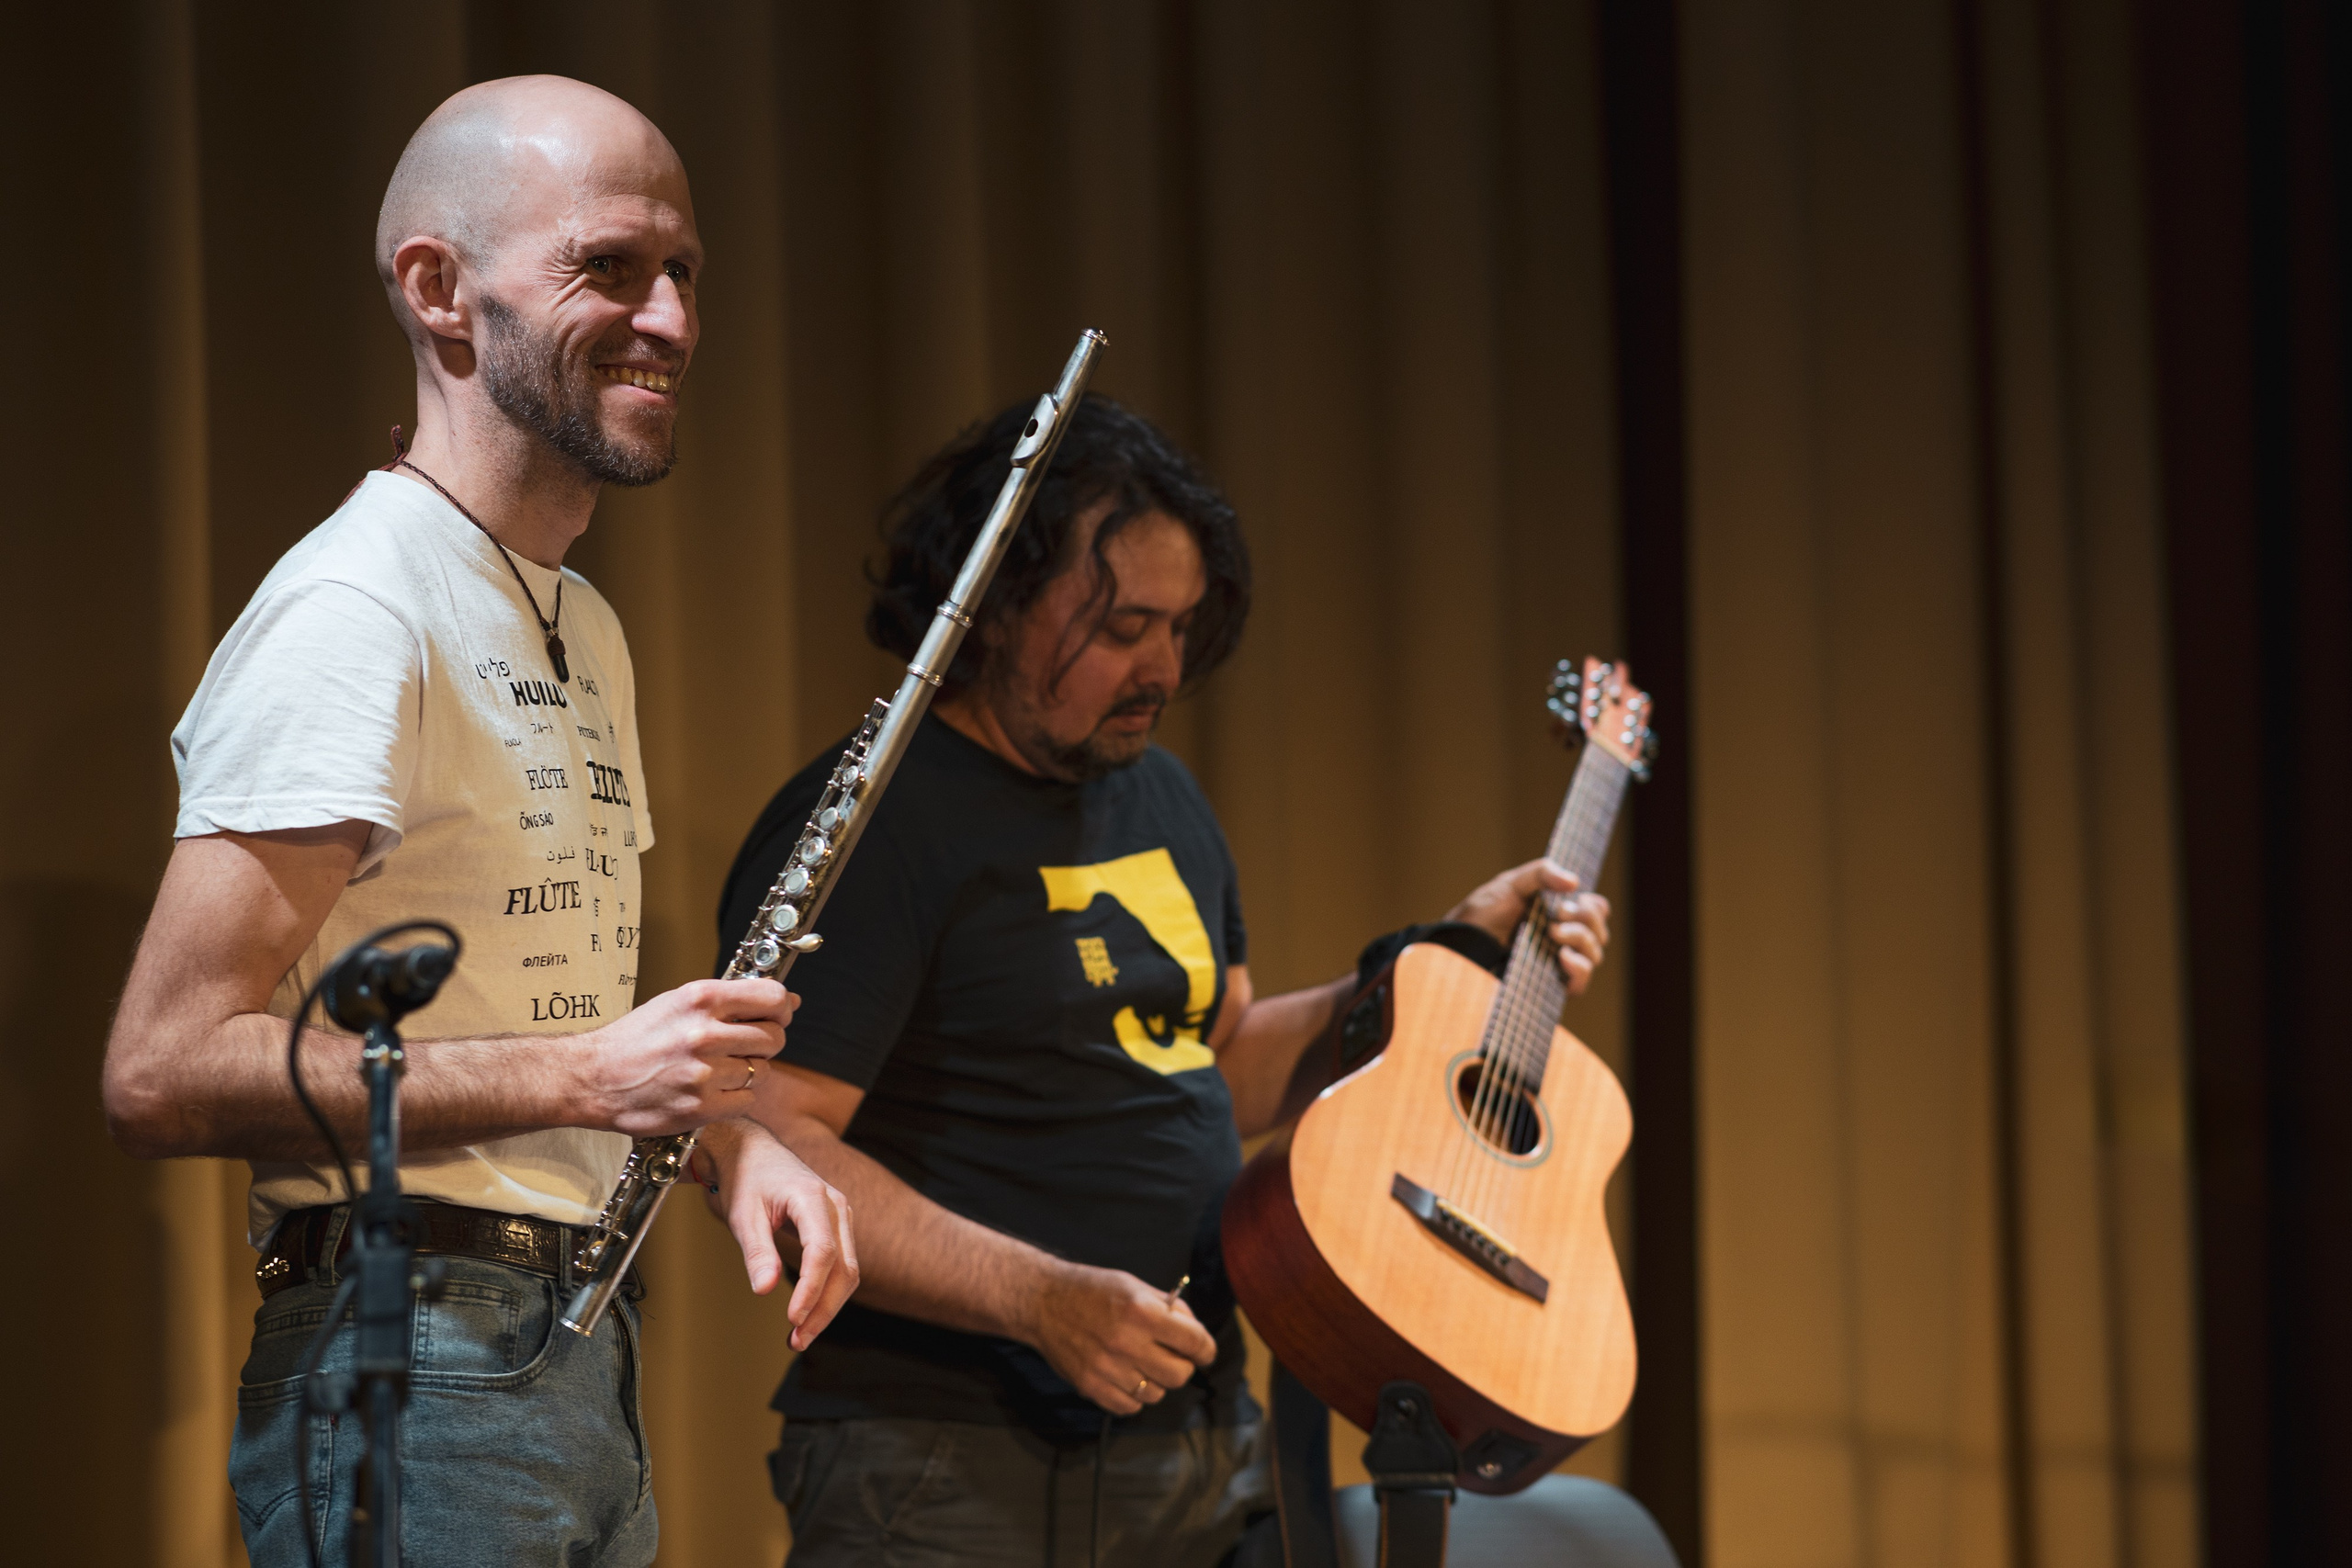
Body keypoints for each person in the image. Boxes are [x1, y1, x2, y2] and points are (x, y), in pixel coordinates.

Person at [102, 76, 856, 1568]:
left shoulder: (587, 621)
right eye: (610, 266)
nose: (670, 319)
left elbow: (537, 1013)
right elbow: (160, 1070)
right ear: (438, 289)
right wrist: (589, 1074)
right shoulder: (356, 605)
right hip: (412, 1352)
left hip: (570, 1345)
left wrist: (725, 1135)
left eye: (684, 272)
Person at [717, 395, 1611, 1567]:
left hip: (1200, 1440)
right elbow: (764, 1140)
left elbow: (1215, 1064)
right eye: (1123, 627)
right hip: (947, 1465)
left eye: (1182, 627)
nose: (1163, 669)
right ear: (991, 608)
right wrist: (1038, 1298)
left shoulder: (1160, 794)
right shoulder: (873, 826)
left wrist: (1434, 961)